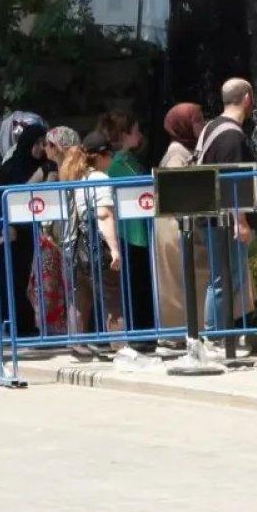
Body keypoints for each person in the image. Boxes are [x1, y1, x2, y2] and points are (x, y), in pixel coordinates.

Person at [196, 78, 257, 333]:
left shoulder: (212, 127)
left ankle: (218, 334)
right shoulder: (232, 136)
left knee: (221, 278)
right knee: (224, 278)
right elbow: (234, 184)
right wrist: (241, 223)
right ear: (247, 99)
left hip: (211, 217)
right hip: (224, 221)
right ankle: (216, 335)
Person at [59, 131, 124, 351]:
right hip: (95, 245)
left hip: (73, 245)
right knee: (112, 296)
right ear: (102, 155)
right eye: (110, 155)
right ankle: (120, 347)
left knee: (80, 296)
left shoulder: (74, 176)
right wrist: (114, 249)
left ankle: (76, 342)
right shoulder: (99, 179)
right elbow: (104, 214)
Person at [99, 111, 156, 345]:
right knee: (136, 286)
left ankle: (147, 333)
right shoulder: (119, 164)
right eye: (136, 131)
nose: (140, 135)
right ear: (124, 134)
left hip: (140, 230)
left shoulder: (129, 160)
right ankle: (139, 335)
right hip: (130, 233)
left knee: (142, 284)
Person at [154, 104, 211, 330]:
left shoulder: (186, 150)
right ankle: (182, 335)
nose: (202, 124)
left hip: (181, 227)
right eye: (197, 121)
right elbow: (181, 196)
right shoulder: (177, 155)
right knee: (182, 285)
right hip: (177, 230)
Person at [0, 123, 50, 339]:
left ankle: (33, 325)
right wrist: (6, 225)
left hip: (37, 234)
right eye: (38, 144)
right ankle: (15, 325)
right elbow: (1, 198)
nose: (41, 149)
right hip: (15, 235)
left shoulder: (46, 166)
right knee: (16, 280)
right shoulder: (10, 169)